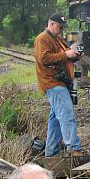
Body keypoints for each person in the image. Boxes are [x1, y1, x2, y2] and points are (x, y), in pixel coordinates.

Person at [34, 14, 82, 157]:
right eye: (60, 27)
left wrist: (75, 54)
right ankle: (73, 148)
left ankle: (51, 152)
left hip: (59, 82)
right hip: (52, 83)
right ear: (52, 24)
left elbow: (66, 54)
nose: (61, 30)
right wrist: (66, 55)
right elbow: (44, 58)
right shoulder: (42, 38)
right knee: (67, 114)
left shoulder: (57, 39)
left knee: (55, 121)